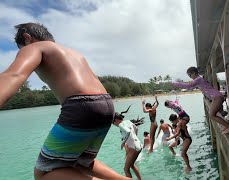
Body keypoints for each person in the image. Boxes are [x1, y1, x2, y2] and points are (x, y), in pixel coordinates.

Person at [0, 23, 128, 179]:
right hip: (106, 105)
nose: (23, 52)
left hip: (81, 106)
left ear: (27, 37)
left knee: (43, 173)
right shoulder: (75, 54)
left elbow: (14, 76)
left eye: (21, 48)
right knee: (82, 162)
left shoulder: (35, 47)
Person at [171, 67, 229, 134]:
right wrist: (179, 84)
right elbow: (189, 87)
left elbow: (188, 85)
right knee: (213, 114)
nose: (190, 77)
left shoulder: (199, 79)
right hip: (216, 97)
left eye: (190, 75)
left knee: (212, 115)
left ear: (194, 72)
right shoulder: (199, 80)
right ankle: (226, 125)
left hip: (217, 97)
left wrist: (175, 83)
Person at [113, 113, 142, 180]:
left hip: (134, 148)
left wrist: (123, 143)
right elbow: (136, 129)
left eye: (113, 122)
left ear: (116, 120)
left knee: (126, 169)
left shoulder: (120, 124)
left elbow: (128, 132)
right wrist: (134, 138)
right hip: (139, 146)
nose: (114, 124)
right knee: (131, 165)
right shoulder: (128, 121)